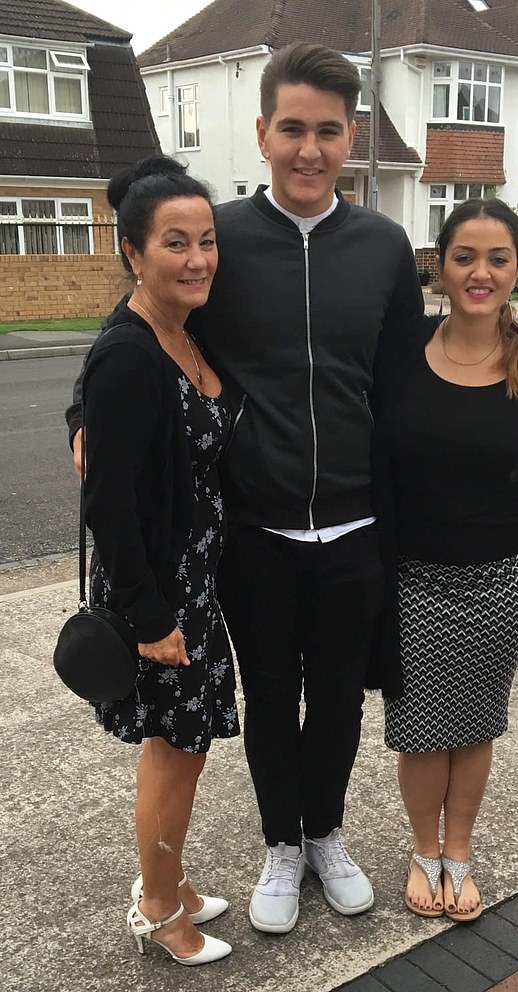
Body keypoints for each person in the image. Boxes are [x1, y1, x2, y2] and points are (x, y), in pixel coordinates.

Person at [68, 41, 423, 934]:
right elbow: (135, 325)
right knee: (270, 698)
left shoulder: (383, 247)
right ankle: (279, 845)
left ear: (352, 139)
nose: (310, 149)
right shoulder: (216, 238)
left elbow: (404, 383)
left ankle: (326, 835)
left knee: (339, 698)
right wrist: (81, 413)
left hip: (355, 526)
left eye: (329, 132)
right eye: (293, 128)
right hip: (252, 532)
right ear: (263, 132)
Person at [368, 198, 518, 923]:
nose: (481, 272)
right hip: (411, 582)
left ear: (515, 268)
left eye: (497, 258)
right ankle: (422, 850)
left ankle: (459, 854)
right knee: (418, 730)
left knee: (474, 726)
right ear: (438, 267)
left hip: (503, 585)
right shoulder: (400, 349)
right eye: (464, 257)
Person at [79, 154, 238, 965]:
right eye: (175, 243)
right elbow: (108, 505)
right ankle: (156, 909)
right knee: (174, 756)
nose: (198, 258)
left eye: (207, 240)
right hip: (162, 601)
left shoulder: (182, 330)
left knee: (188, 750)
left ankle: (167, 885)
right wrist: (150, 620)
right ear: (133, 253)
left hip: (197, 590)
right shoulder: (130, 354)